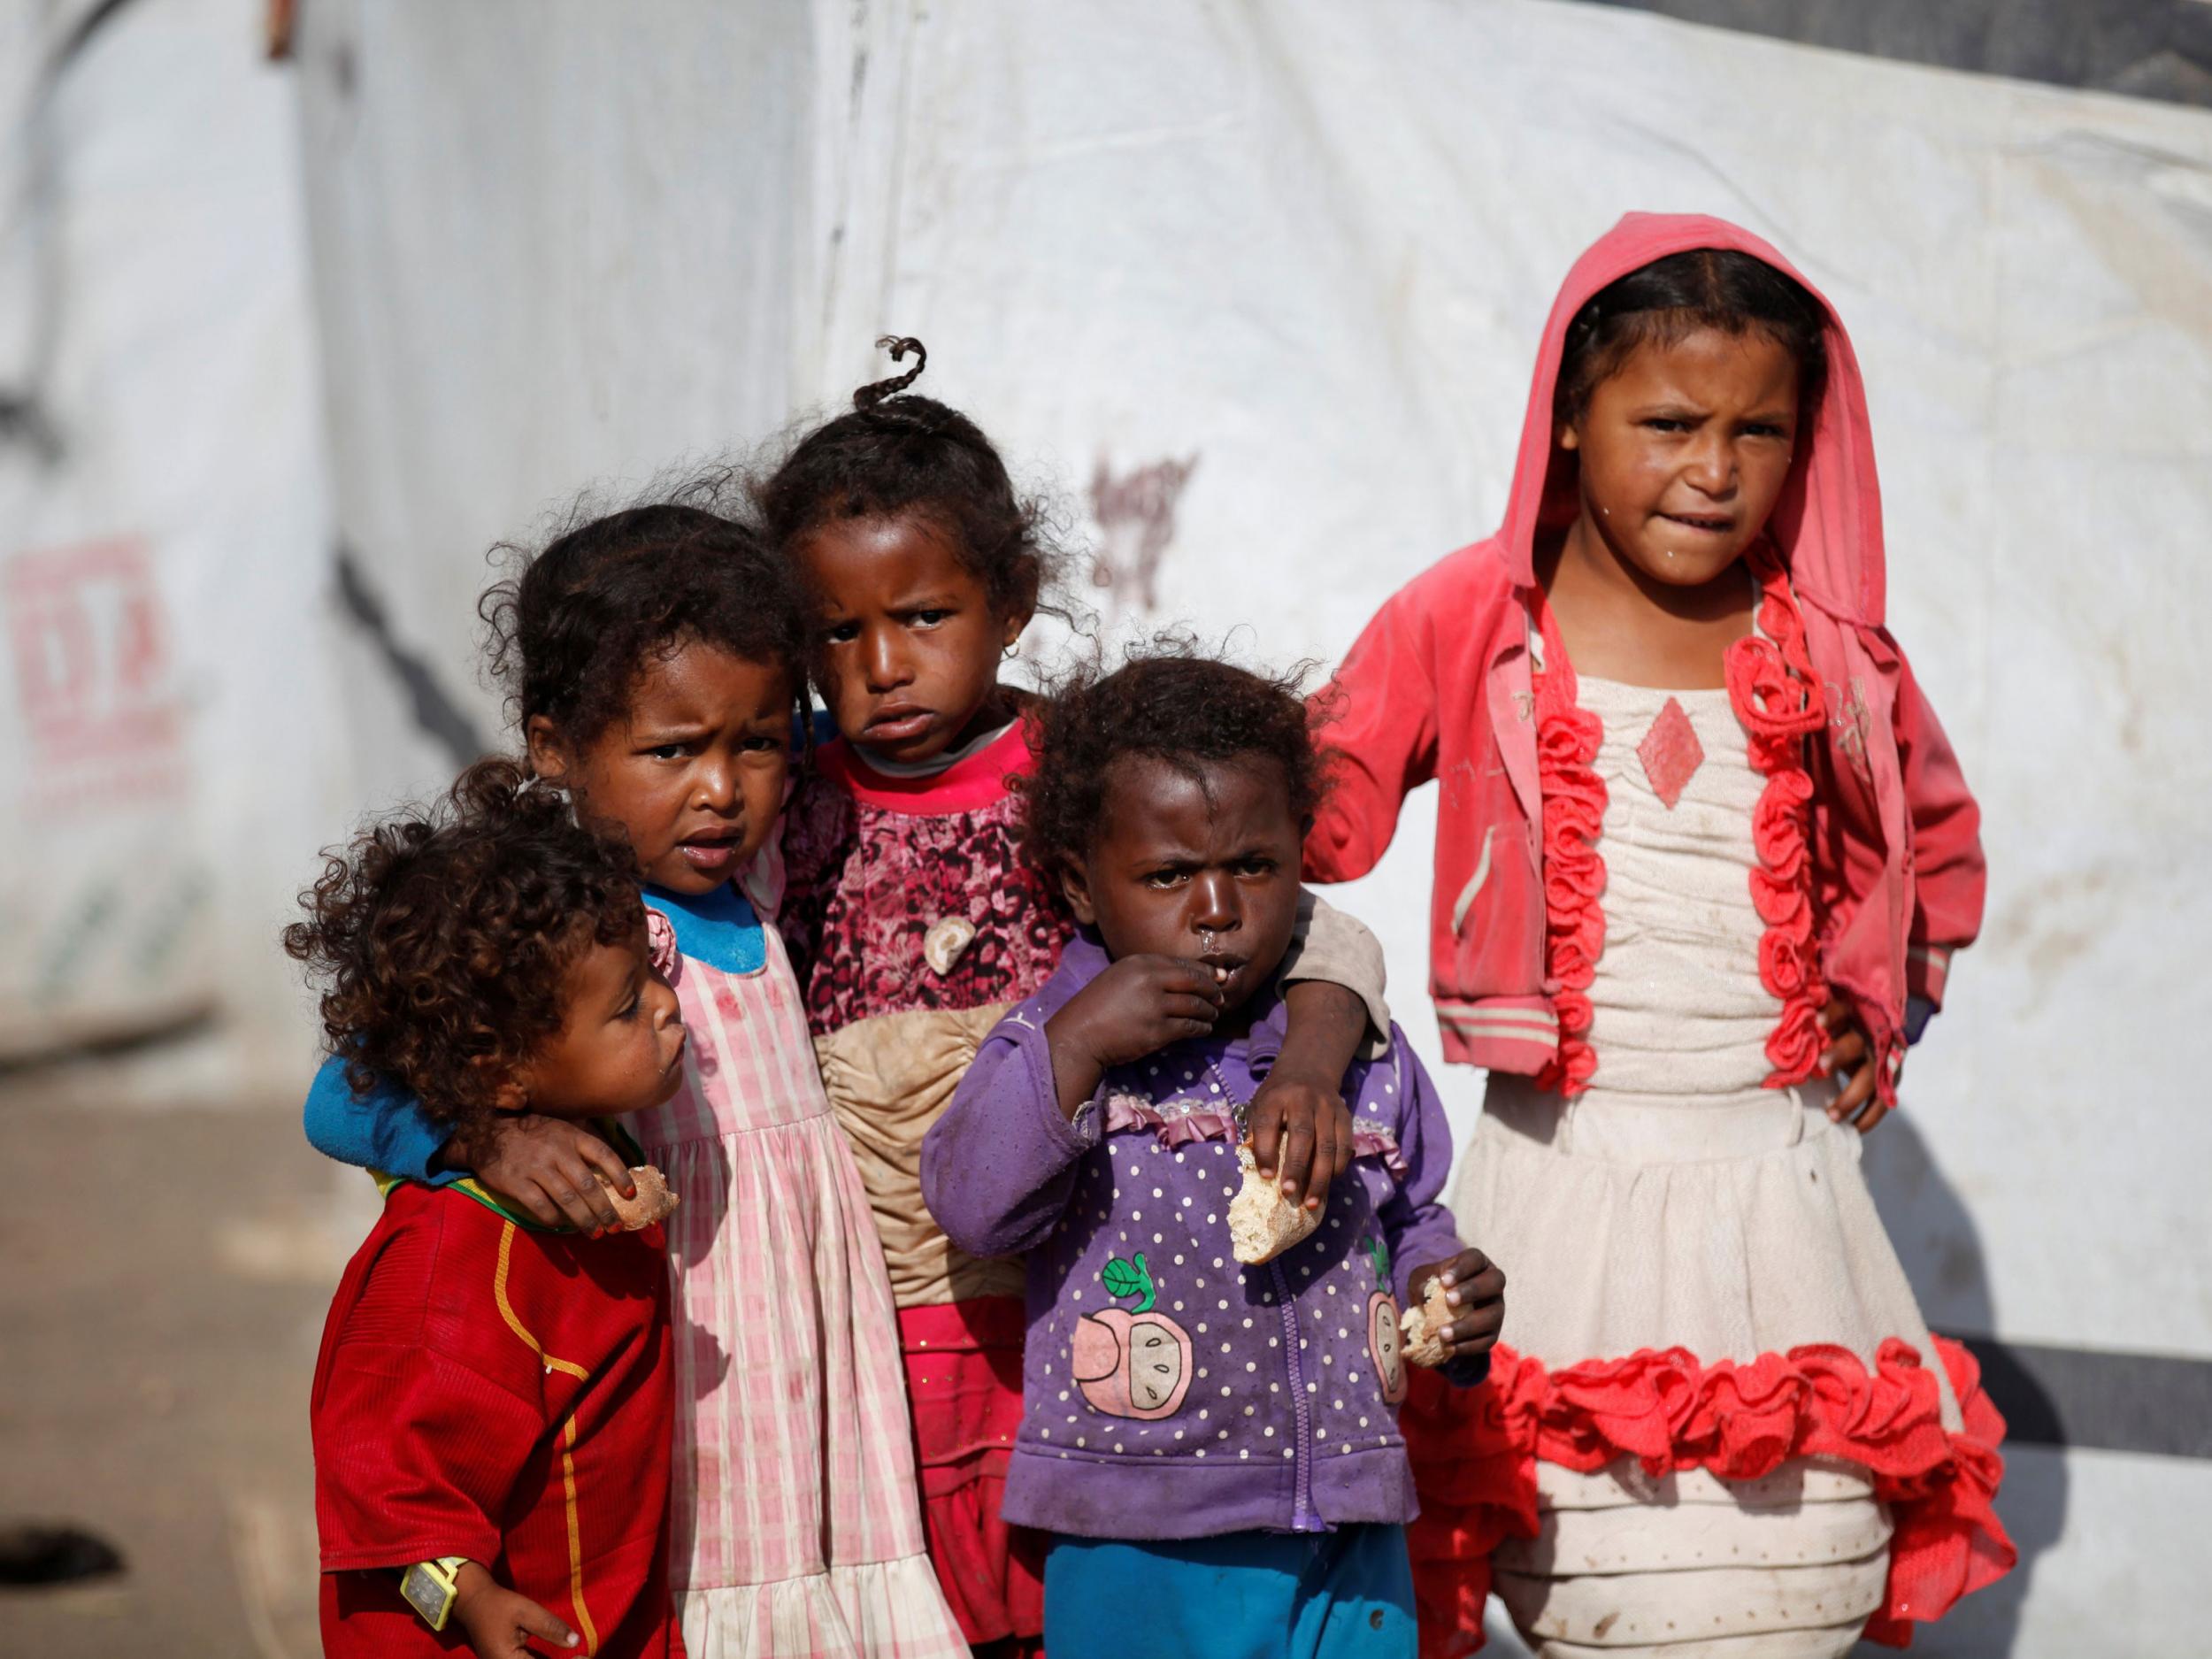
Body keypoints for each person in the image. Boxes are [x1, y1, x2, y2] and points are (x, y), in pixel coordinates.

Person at [1307, 214, 2014, 1656]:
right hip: (1562, 1176)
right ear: (1571, 418)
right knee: (1580, 1559)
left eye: (1761, 431)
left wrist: (1879, 1009)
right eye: (1670, 421)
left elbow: (1934, 849)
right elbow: (1313, 813)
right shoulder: (1476, 618)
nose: (1714, 468)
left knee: (1793, 1557)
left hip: (1777, 1191)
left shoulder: (1829, 651)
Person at [761, 342, 1394, 1655]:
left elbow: (1320, 933)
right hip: (873, 1287)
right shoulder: (783, 797)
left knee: (1059, 1585)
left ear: (1012, 600)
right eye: (838, 629)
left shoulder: (1088, 771)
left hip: (1080, 1272)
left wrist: (1316, 1063)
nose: (882, 662)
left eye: (923, 615)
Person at [302, 496, 967, 1657]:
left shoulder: (750, 879)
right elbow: (333, 1096)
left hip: (815, 1361)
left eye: (755, 742)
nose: (721, 786)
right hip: (687, 1371)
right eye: (672, 751)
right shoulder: (583, 938)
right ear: (557, 750)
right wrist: (480, 1135)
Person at [922, 649, 1504, 1659]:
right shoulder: (1059, 1040)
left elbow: (1409, 1211)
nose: (1218, 909)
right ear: (1081, 884)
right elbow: (973, 1202)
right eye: (1167, 876)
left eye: (1254, 866)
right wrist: (1080, 1043)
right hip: (1144, 1533)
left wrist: (1442, 1292)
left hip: (1351, 1523)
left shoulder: (1357, 1049)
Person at [291, 758, 687, 1659]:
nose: (669, 1008)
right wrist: (465, 1595)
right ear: (501, 1072)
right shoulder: (458, 1260)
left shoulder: (600, 1160)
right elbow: (378, 1468)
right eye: (628, 1007)